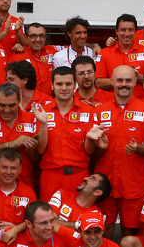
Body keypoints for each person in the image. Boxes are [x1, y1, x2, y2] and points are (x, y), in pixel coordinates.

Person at [91, 66, 144, 239]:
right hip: (105, 183)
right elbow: (91, 152)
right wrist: (99, 147)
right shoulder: (99, 111)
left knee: (130, 234)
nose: (124, 84)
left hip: (133, 184)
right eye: (120, 80)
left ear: (135, 82)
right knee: (103, 230)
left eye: (128, 80)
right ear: (113, 82)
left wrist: (138, 148)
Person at [38, 67, 99, 200]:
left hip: (79, 176)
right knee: (49, 218)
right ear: (52, 86)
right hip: (51, 176)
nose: (64, 88)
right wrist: (43, 124)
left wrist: (91, 139)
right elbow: (40, 149)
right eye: (59, 84)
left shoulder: (89, 112)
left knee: (78, 219)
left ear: (75, 85)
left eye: (68, 84)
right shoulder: (42, 112)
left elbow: (89, 151)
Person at [0, 82, 47, 187]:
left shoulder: (31, 119)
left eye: (12, 105)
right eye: (2, 105)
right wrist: (11, 144)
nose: (7, 110)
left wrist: (29, 150)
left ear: (19, 101)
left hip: (24, 186)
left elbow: (37, 159)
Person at [96, 14, 144, 99]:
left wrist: (137, 77)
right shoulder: (104, 53)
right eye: (123, 30)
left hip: (141, 106)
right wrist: (120, 79)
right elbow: (98, 83)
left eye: (130, 30)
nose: (127, 34)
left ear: (135, 31)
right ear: (117, 31)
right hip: (112, 105)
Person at [8, 23, 56, 97]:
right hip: (27, 103)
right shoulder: (16, 58)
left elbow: (73, 49)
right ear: (27, 37)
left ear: (45, 38)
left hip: (48, 103)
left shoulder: (52, 51)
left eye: (41, 36)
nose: (38, 39)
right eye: (33, 36)